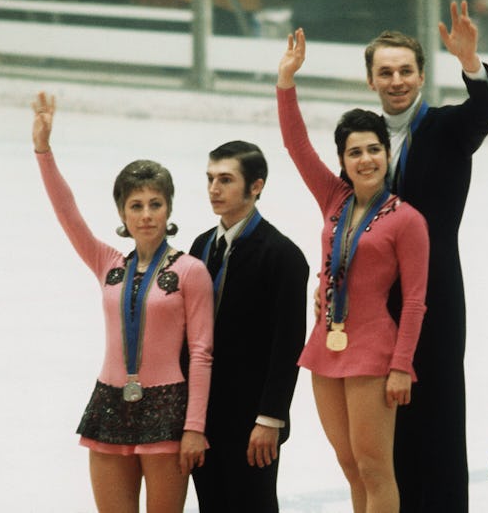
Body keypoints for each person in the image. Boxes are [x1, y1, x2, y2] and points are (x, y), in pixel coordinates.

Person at [31, 91, 214, 513]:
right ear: (123, 213)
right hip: (110, 403)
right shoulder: (108, 264)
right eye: (136, 205)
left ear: (169, 209)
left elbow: (202, 354)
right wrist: (43, 150)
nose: (146, 214)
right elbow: (67, 213)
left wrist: (194, 427)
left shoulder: (190, 271)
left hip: (169, 406)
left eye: (155, 204)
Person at [277, 28, 430, 513]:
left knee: (374, 467)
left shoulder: (407, 219)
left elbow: (415, 300)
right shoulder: (334, 199)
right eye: (355, 152)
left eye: (374, 149)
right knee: (348, 465)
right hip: (326, 343)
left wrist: (401, 365)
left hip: (373, 352)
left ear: (387, 154)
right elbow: (297, 146)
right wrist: (286, 83)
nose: (366, 159)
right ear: (343, 161)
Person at [364, 0, 488, 512]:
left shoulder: (447, 129)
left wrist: (471, 64)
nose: (396, 80)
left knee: (439, 419)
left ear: (421, 75)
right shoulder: (363, 139)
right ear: (371, 81)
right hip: (375, 302)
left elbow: (486, 113)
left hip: (437, 295)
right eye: (385, 72)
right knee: (384, 424)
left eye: (405, 70)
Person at [188, 141, 309, 512]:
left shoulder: (283, 256)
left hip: (252, 419)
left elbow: (287, 346)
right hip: (203, 415)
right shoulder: (201, 247)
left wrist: (270, 418)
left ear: (256, 186)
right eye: (210, 179)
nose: (214, 189)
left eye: (225, 179)